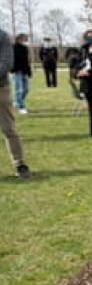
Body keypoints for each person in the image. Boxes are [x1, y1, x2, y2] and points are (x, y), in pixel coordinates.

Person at [0, 28, 32, 177]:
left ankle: (19, 164)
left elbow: (6, 63)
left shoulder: (2, 36)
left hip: (1, 88)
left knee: (8, 129)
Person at [12, 33, 31, 114]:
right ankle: (21, 107)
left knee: (26, 89)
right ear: (19, 38)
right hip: (16, 72)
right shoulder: (12, 47)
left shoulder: (25, 48)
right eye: (24, 38)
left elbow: (26, 61)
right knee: (19, 90)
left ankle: (17, 101)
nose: (26, 39)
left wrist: (29, 71)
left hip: (24, 71)